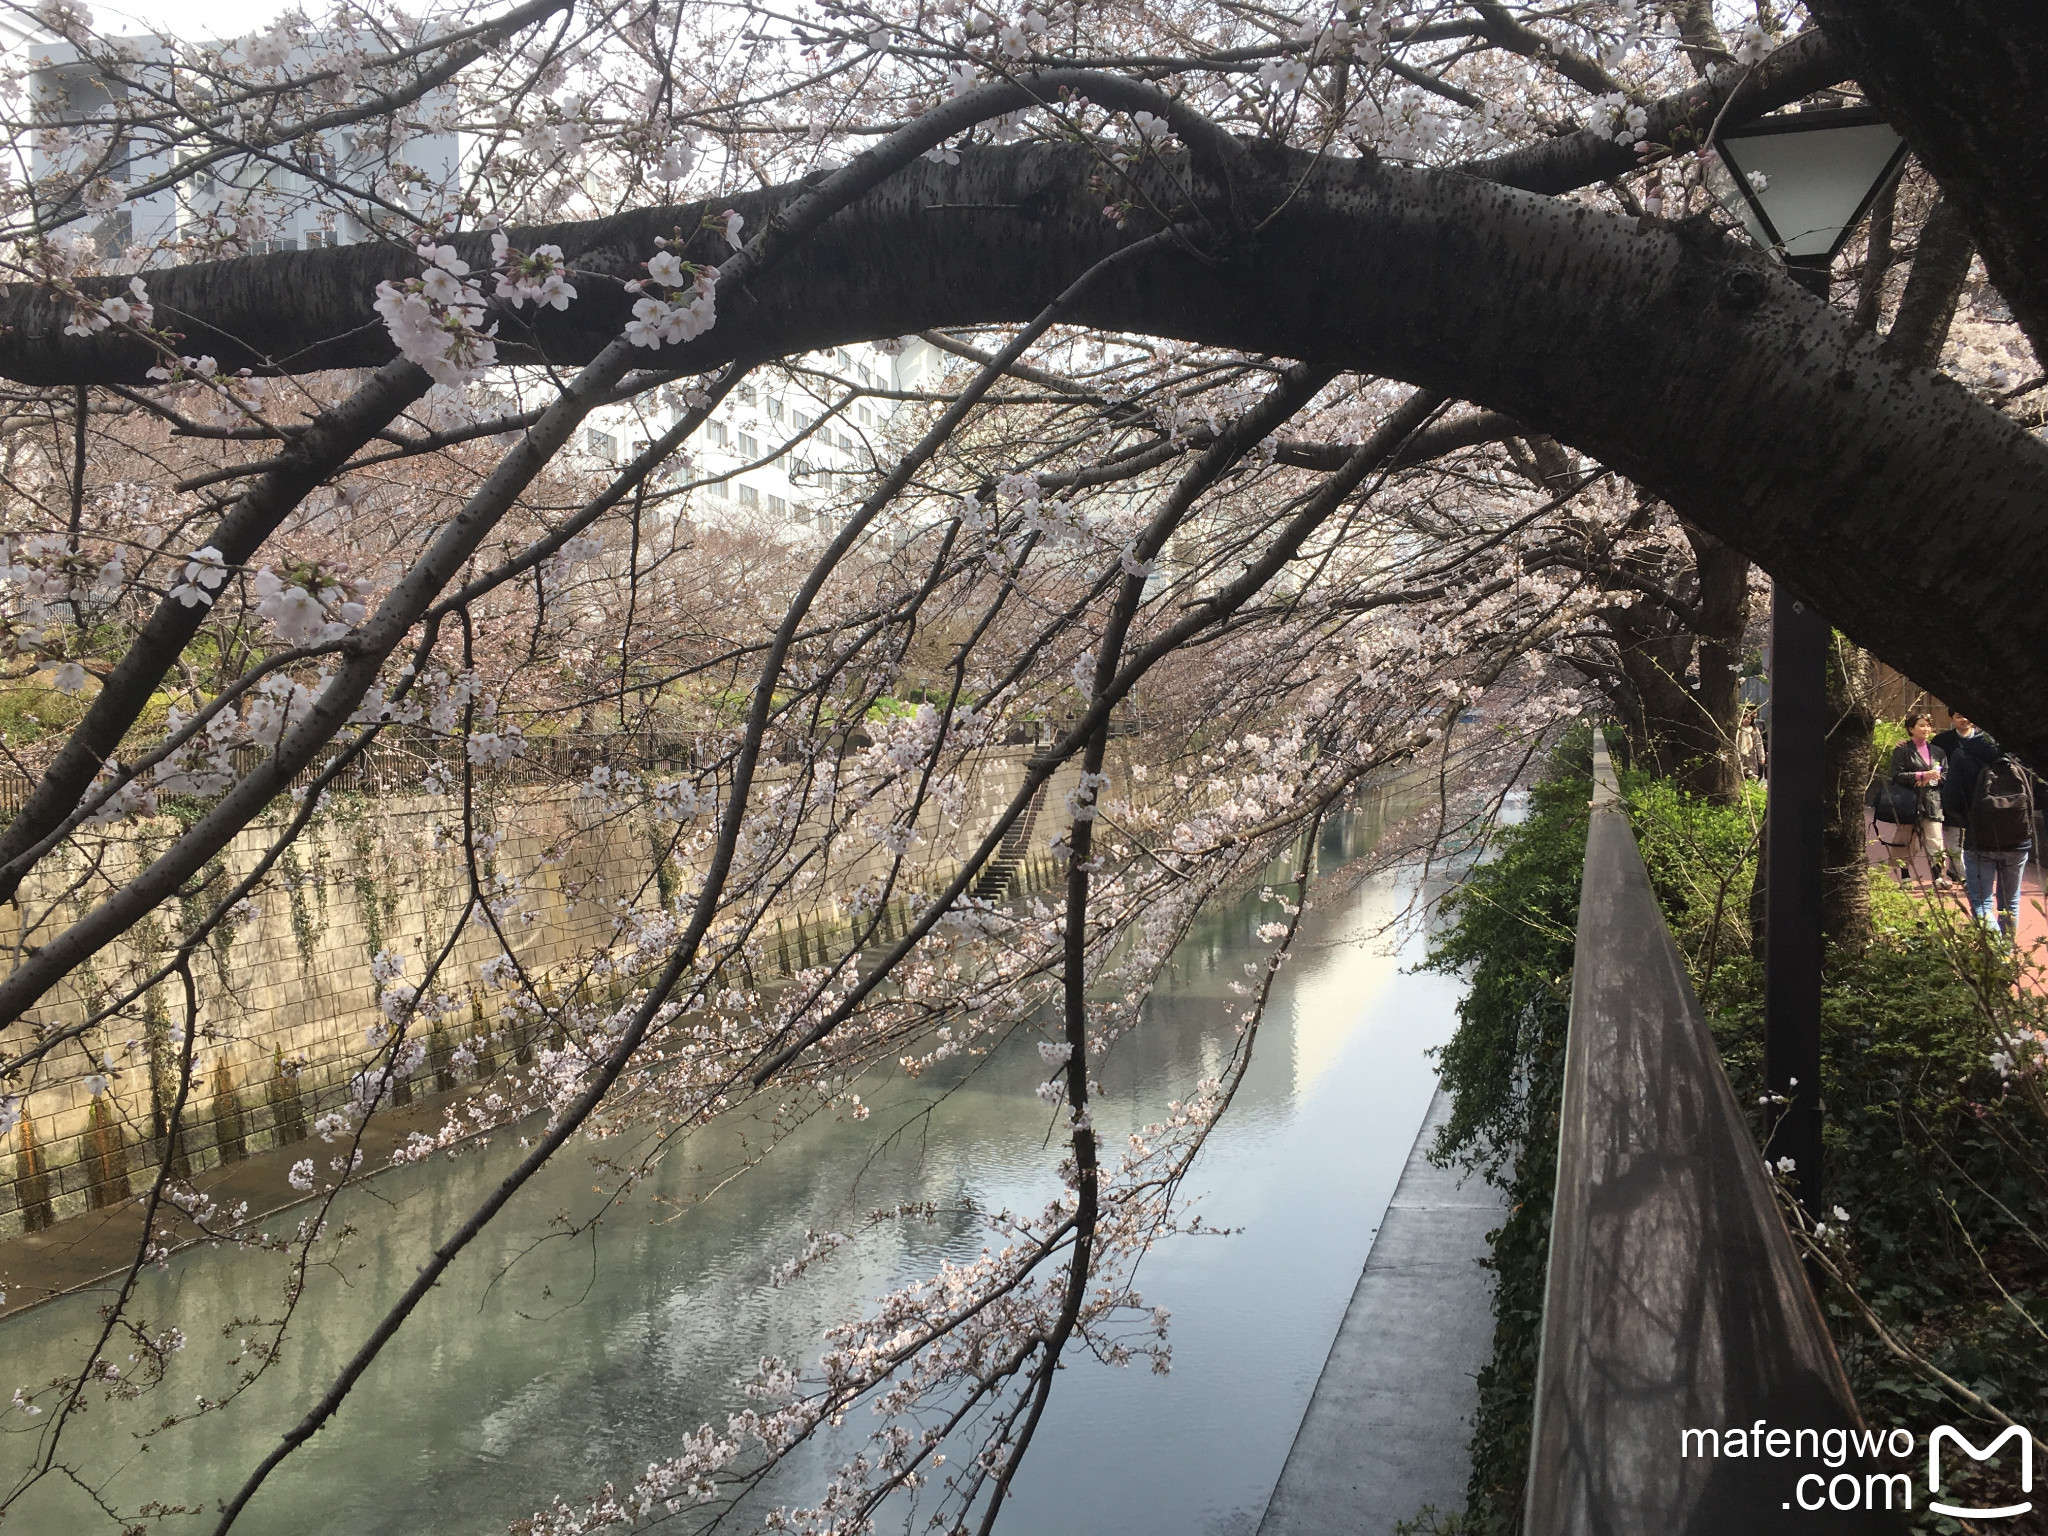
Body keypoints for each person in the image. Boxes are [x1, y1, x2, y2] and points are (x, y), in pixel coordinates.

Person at [1951, 731, 2036, 939]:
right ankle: (2007, 952)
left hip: (1979, 840)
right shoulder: (2023, 755)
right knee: (2010, 901)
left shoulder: (1964, 754)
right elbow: (2040, 796)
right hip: (2018, 839)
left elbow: (1950, 799)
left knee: (1981, 902)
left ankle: (1995, 953)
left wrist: (1968, 821)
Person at [1887, 713, 1950, 884]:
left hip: (1931, 801)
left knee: (1935, 840)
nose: (1926, 729)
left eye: (1928, 725)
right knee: (1905, 839)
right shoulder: (1902, 750)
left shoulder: (1938, 751)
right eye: (1921, 725)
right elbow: (1896, 775)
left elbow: (1945, 775)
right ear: (1911, 728)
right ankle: (1905, 876)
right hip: (1908, 801)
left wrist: (1933, 779)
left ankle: (1938, 876)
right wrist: (1921, 776)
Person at [1933, 711, 1985, 883]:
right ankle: (1966, 876)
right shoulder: (1941, 741)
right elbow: (1926, 756)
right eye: (1959, 716)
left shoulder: (1984, 741)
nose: (1964, 719)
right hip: (1952, 797)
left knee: (1972, 840)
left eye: (1966, 715)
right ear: (1951, 719)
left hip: (1978, 799)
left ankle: (1956, 870)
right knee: (1954, 838)